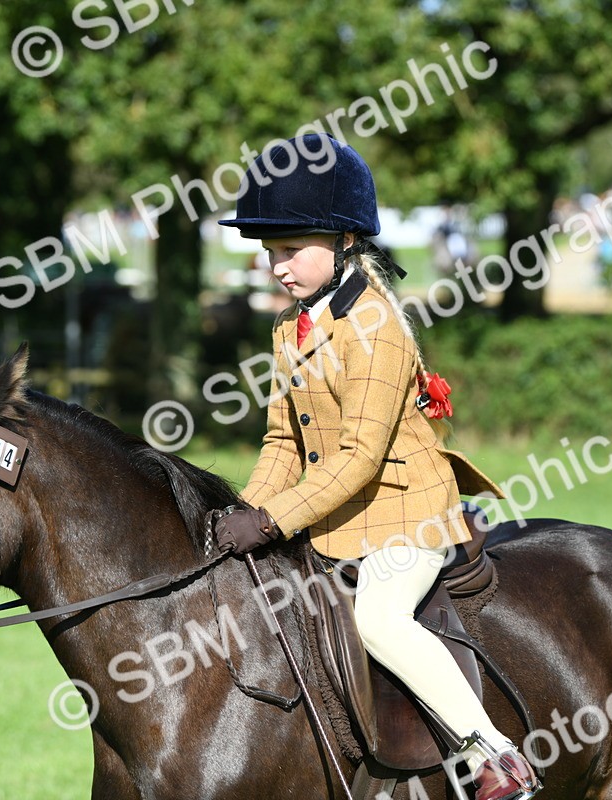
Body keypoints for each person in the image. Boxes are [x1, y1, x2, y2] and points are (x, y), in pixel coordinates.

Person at [213, 133, 541, 800]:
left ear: (344, 242)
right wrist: (245, 510)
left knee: (380, 620)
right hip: (336, 513)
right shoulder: (289, 329)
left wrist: (273, 521)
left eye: (291, 249)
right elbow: (283, 442)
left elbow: (359, 457)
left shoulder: (376, 326)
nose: (277, 267)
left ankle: (494, 754)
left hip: (407, 513)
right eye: (270, 251)